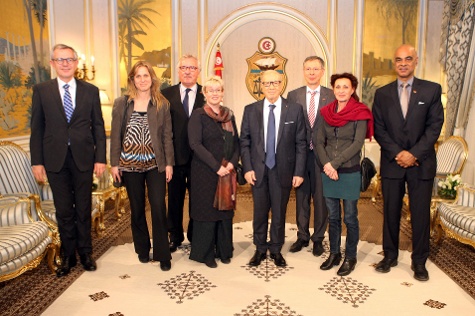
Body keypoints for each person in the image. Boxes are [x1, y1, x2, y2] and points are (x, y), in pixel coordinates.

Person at [30, 43, 107, 277]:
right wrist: (37, 162)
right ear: (52, 64)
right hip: (55, 161)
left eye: (69, 59)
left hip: (83, 159)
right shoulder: (42, 90)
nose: (65, 63)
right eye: (60, 60)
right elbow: (37, 128)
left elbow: (98, 127)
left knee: (83, 208)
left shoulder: (90, 91)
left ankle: (85, 253)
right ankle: (68, 255)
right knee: (64, 211)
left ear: (76, 63)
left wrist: (100, 158)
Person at [372, 44, 444, 281]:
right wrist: (398, 154)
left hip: (421, 164)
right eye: (398, 60)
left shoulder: (431, 90)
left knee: (421, 214)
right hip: (393, 164)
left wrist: (413, 153)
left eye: (408, 59)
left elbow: (434, 127)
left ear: (415, 62)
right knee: (390, 212)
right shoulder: (382, 94)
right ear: (394, 63)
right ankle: (390, 256)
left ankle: (419, 261)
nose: (403, 63)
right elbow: (379, 130)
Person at [110, 61, 174, 271]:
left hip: (155, 165)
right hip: (128, 165)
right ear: (132, 79)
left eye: (146, 75)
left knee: (158, 207)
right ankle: (143, 249)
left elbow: (167, 137)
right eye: (138, 76)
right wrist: (114, 164)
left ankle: (163, 254)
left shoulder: (162, 104)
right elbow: (116, 136)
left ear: (152, 78)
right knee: (136, 208)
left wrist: (169, 164)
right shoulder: (121, 103)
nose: (143, 79)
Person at [240, 70, 306, 267]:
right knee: (259, 212)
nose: (271, 86)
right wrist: (247, 168)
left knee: (279, 212)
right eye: (267, 83)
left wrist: (299, 171)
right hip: (257, 171)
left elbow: (301, 143)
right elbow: (244, 141)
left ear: (281, 84)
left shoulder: (294, 109)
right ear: (261, 85)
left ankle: (276, 249)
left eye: (275, 82)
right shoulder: (250, 109)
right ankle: (260, 248)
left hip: (283, 171)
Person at [315, 72, 373, 276]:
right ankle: (334, 254)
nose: (341, 90)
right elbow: (318, 141)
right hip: (328, 172)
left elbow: (358, 143)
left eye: (345, 87)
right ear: (333, 89)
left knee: (350, 217)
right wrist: (326, 165)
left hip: (349, 171)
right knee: (333, 217)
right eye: (338, 87)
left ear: (352, 90)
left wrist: (334, 164)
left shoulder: (360, 112)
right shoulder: (325, 112)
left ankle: (350, 257)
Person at [188, 76, 240, 268]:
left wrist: (232, 164)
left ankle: (224, 250)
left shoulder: (229, 115)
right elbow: (195, 144)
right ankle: (206, 253)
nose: (215, 93)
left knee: (224, 211)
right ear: (205, 93)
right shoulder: (198, 115)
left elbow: (237, 143)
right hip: (205, 173)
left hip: (227, 172)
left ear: (222, 92)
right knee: (207, 212)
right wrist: (216, 166)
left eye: (218, 90)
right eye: (211, 90)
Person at [287, 56, 335, 256]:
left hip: (323, 155)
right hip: (300, 155)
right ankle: (302, 235)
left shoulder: (332, 96)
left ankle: (318, 238)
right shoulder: (293, 95)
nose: (312, 72)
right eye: (308, 69)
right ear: (303, 71)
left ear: (322, 71)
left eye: (316, 69)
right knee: (302, 196)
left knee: (321, 198)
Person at [162, 54, 205, 252]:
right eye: (184, 68)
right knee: (175, 199)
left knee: (198, 199)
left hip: (200, 160)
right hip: (175, 158)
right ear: (178, 71)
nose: (188, 71)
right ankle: (175, 235)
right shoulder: (165, 94)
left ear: (198, 71)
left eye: (192, 68)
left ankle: (196, 235)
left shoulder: (207, 94)